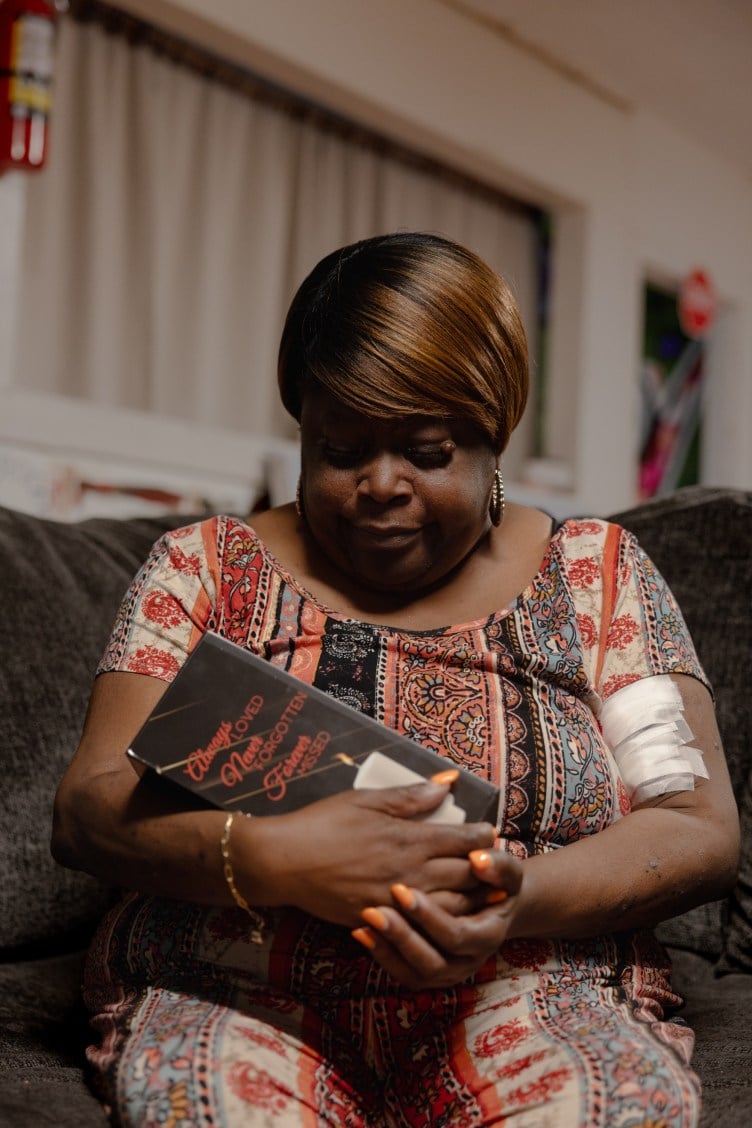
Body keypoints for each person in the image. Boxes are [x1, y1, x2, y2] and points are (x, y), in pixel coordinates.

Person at [52, 231, 739, 1128]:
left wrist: (515, 897)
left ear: (494, 439)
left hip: (530, 992)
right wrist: (276, 860)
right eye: (341, 450)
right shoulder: (206, 568)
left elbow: (695, 825)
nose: (381, 485)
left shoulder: (594, 575)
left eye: (427, 450)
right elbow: (87, 809)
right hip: (235, 991)